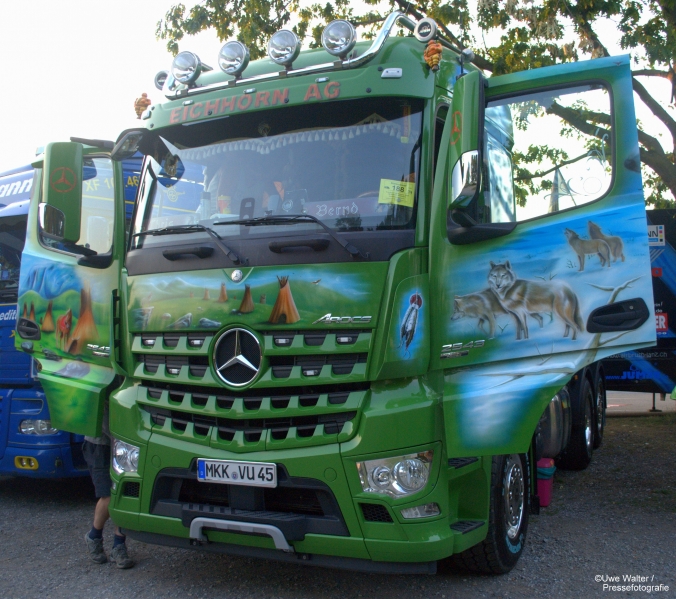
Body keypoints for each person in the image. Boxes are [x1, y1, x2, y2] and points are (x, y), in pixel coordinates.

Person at [83, 403, 134, 569]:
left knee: (123, 493)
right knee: (108, 495)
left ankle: (118, 546)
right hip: (99, 443)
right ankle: (94, 536)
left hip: (122, 442)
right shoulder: (100, 378)